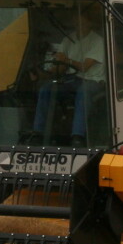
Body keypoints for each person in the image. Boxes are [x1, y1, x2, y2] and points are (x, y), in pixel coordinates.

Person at [29, 12, 106, 147]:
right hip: (73, 79)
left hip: (94, 80)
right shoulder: (68, 40)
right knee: (46, 89)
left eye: (81, 22)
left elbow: (85, 67)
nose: (78, 25)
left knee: (83, 92)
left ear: (90, 23)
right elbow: (61, 66)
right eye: (76, 22)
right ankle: (38, 133)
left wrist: (67, 60)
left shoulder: (97, 41)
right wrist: (43, 74)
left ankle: (77, 136)